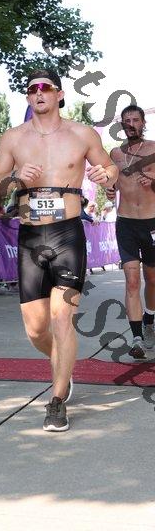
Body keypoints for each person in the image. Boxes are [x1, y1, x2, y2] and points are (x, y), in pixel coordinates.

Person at [0, 69, 118, 432]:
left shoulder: (81, 134)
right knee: (36, 330)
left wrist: (106, 176)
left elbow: (110, 169)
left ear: (59, 95)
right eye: (32, 89)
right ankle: (64, 365)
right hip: (30, 236)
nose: (38, 93)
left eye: (45, 87)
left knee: (63, 319)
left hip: (67, 235)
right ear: (28, 97)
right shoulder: (13, 138)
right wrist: (16, 179)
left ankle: (57, 400)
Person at [106, 105, 155, 359]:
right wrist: (109, 188)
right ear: (122, 125)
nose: (131, 124)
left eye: (136, 120)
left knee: (152, 279)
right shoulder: (115, 153)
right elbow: (112, 182)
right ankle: (136, 338)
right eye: (127, 121)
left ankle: (150, 319)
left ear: (143, 123)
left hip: (152, 222)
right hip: (125, 222)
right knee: (132, 281)